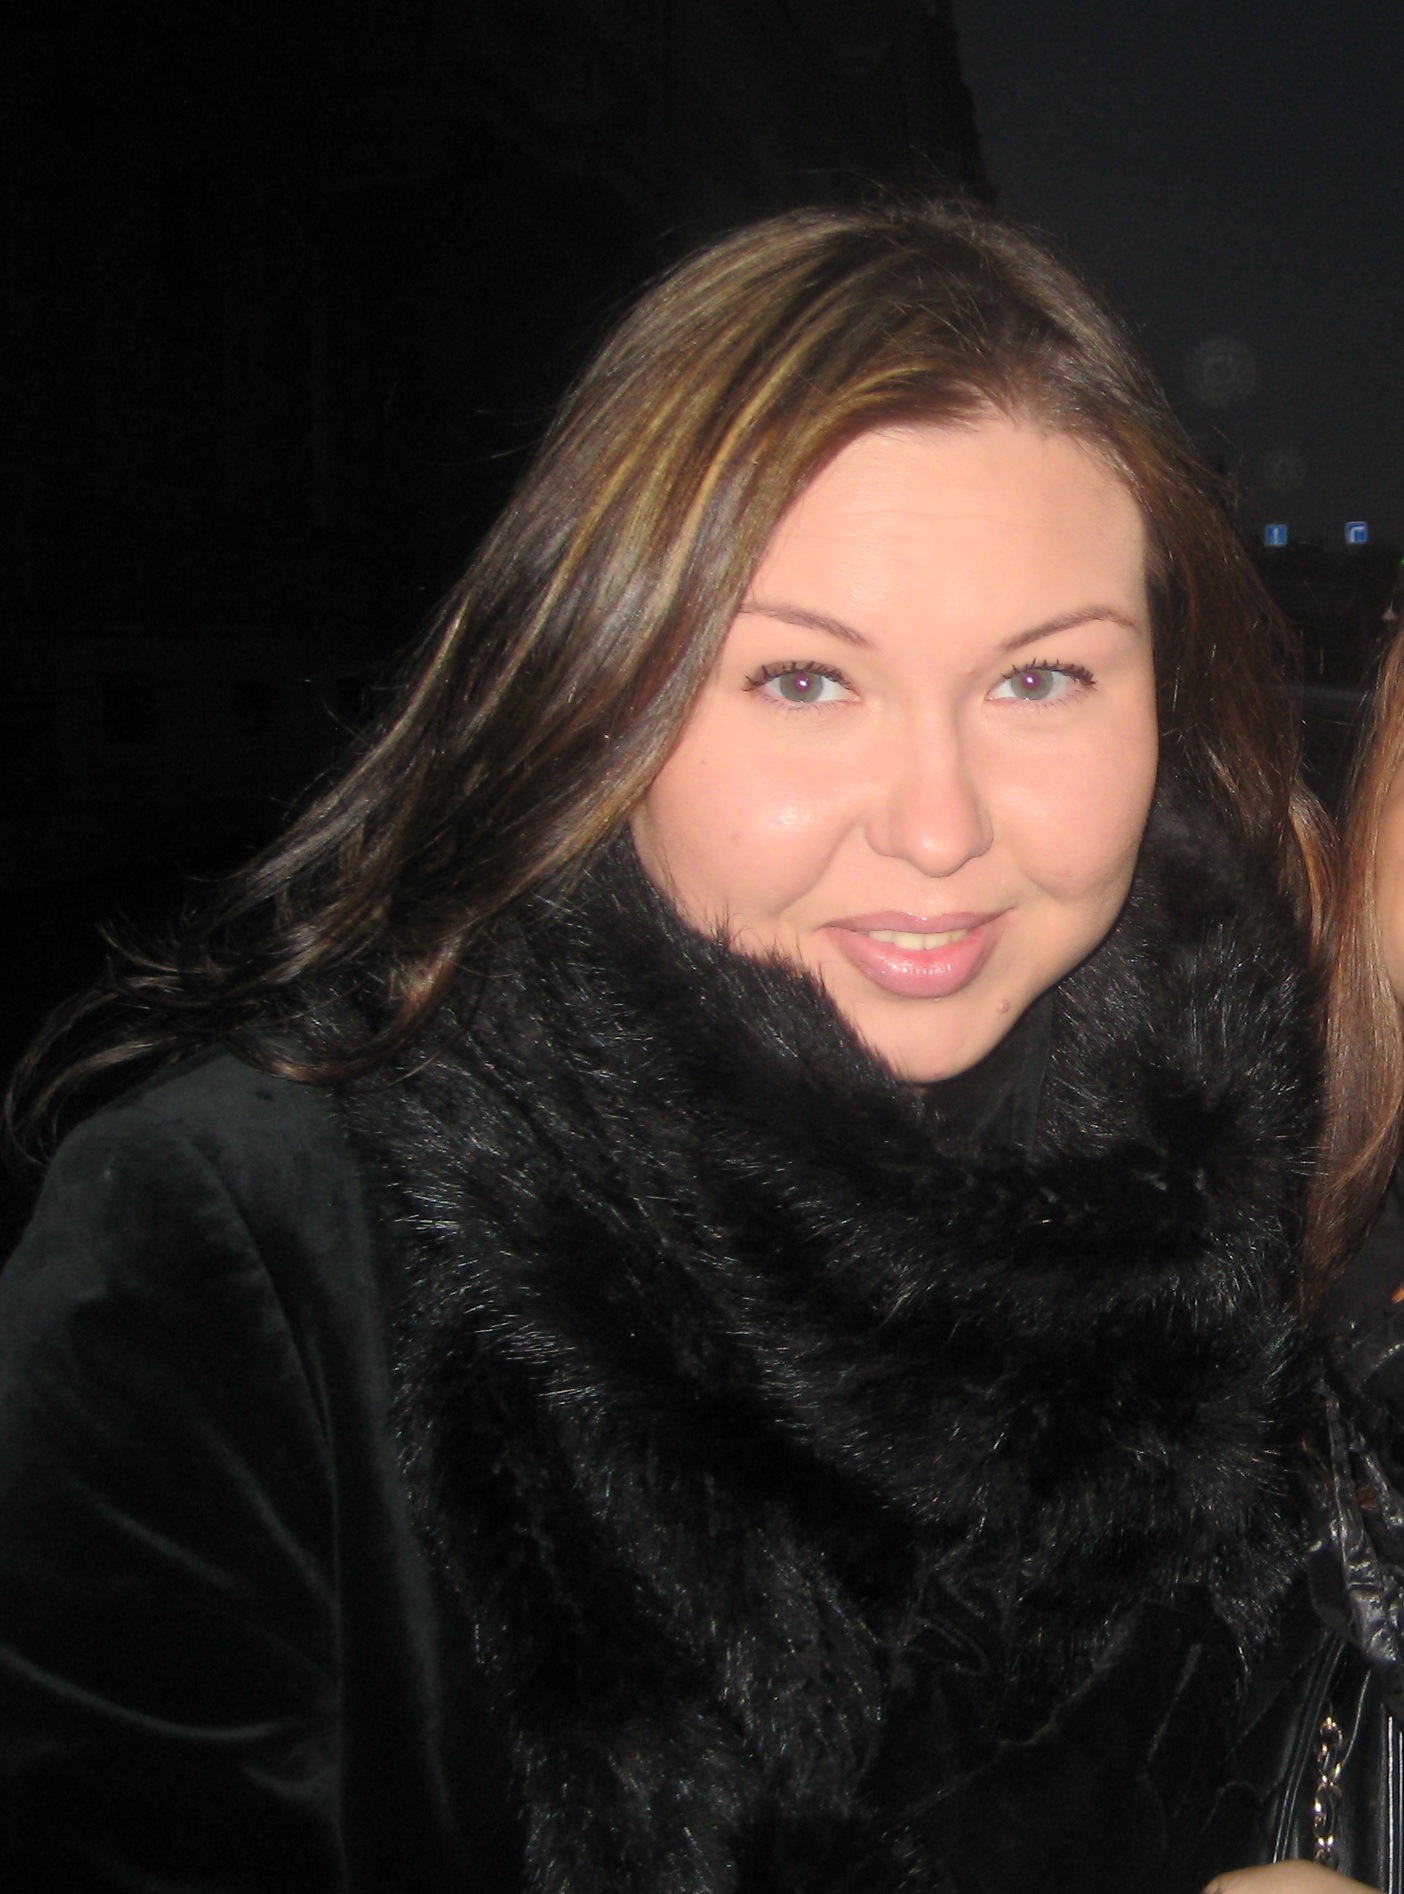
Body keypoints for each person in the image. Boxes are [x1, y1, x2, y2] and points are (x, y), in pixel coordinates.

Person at [0, 199, 1368, 1893]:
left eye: (1040, 681)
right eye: (803, 682)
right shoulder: (246, 1253)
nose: (938, 826)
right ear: (601, 686)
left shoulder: (1215, 1187)